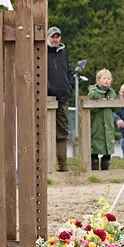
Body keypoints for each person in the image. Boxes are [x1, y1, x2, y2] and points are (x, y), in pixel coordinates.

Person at [46, 26, 72, 172]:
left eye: (57, 37)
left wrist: (68, 87)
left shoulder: (63, 53)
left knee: (62, 131)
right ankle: (46, 164)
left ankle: (63, 164)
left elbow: (69, 71)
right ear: (48, 37)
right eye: (52, 37)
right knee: (44, 131)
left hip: (62, 97)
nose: (55, 39)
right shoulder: (42, 52)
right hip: (47, 98)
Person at [86, 69, 118, 170]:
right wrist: (100, 103)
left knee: (108, 147)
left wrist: (113, 102)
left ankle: (105, 170)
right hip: (96, 125)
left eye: (109, 78)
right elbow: (88, 109)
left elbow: (117, 109)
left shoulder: (112, 93)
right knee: (95, 147)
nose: (107, 80)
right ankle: (94, 170)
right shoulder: (93, 93)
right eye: (104, 78)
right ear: (98, 80)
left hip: (108, 125)